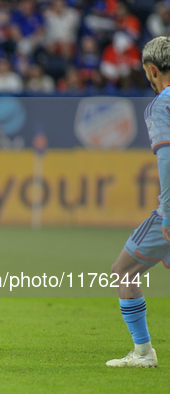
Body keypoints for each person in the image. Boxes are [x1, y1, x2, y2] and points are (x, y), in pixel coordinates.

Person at [105, 36, 170, 368]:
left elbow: (167, 160)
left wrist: (169, 216)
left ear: (151, 70)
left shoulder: (162, 103)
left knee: (123, 270)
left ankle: (143, 353)